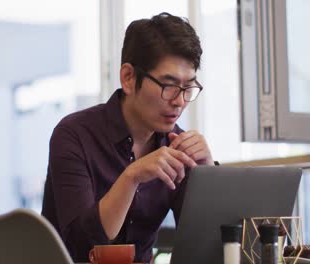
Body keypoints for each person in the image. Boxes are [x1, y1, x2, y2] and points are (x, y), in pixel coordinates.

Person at [41, 12, 215, 263]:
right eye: (169, 85)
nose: (179, 101)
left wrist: (206, 174)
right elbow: (82, 246)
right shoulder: (73, 135)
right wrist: (131, 177)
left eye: (188, 88)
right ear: (129, 78)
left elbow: (204, 243)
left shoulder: (178, 147)